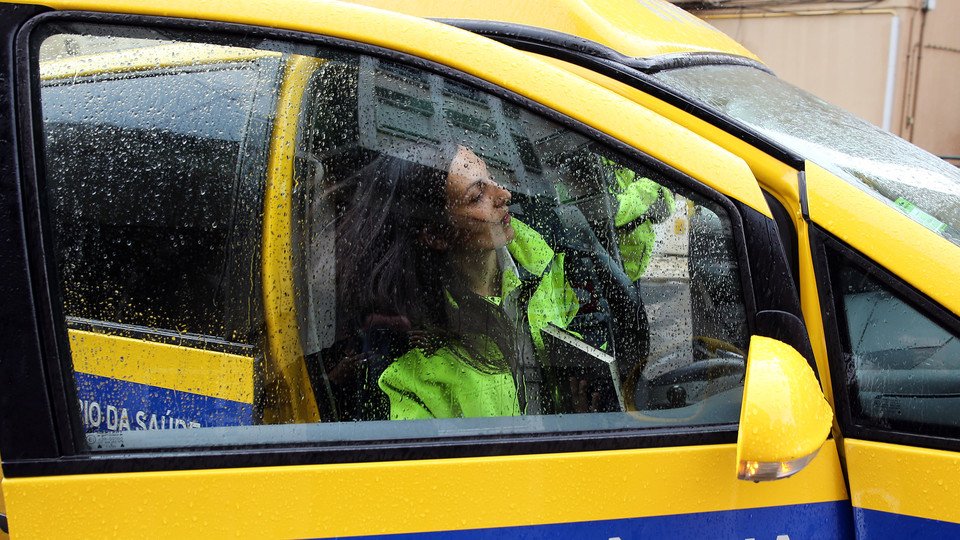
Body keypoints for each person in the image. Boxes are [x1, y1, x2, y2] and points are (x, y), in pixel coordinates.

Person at [334, 143, 580, 420]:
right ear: (436, 235)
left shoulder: (536, 257)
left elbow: (572, 327)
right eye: (477, 196)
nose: (504, 194)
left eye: (492, 179)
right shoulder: (415, 362)